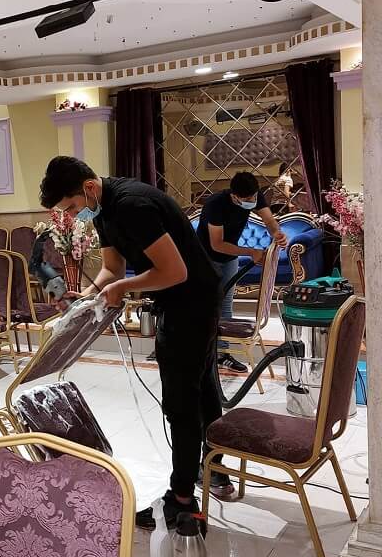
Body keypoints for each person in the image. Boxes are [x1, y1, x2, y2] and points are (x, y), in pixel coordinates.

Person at [39, 156, 231, 527]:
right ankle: (212, 469)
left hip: (191, 303)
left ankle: (182, 498)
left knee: (182, 402)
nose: (75, 215)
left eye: (73, 207)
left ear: (88, 188)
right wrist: (88, 297)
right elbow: (112, 269)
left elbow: (174, 271)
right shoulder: (102, 209)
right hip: (180, 300)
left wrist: (124, 287)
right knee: (200, 388)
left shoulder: (132, 205)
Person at [197, 172, 287, 373]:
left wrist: (277, 233)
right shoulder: (215, 204)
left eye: (253, 197)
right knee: (208, 304)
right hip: (205, 258)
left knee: (226, 303)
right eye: (247, 199)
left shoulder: (255, 196)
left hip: (229, 259)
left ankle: (222, 354)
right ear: (234, 195)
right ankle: (203, 353)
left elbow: (269, 221)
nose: (252, 201)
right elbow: (217, 244)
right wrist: (250, 252)